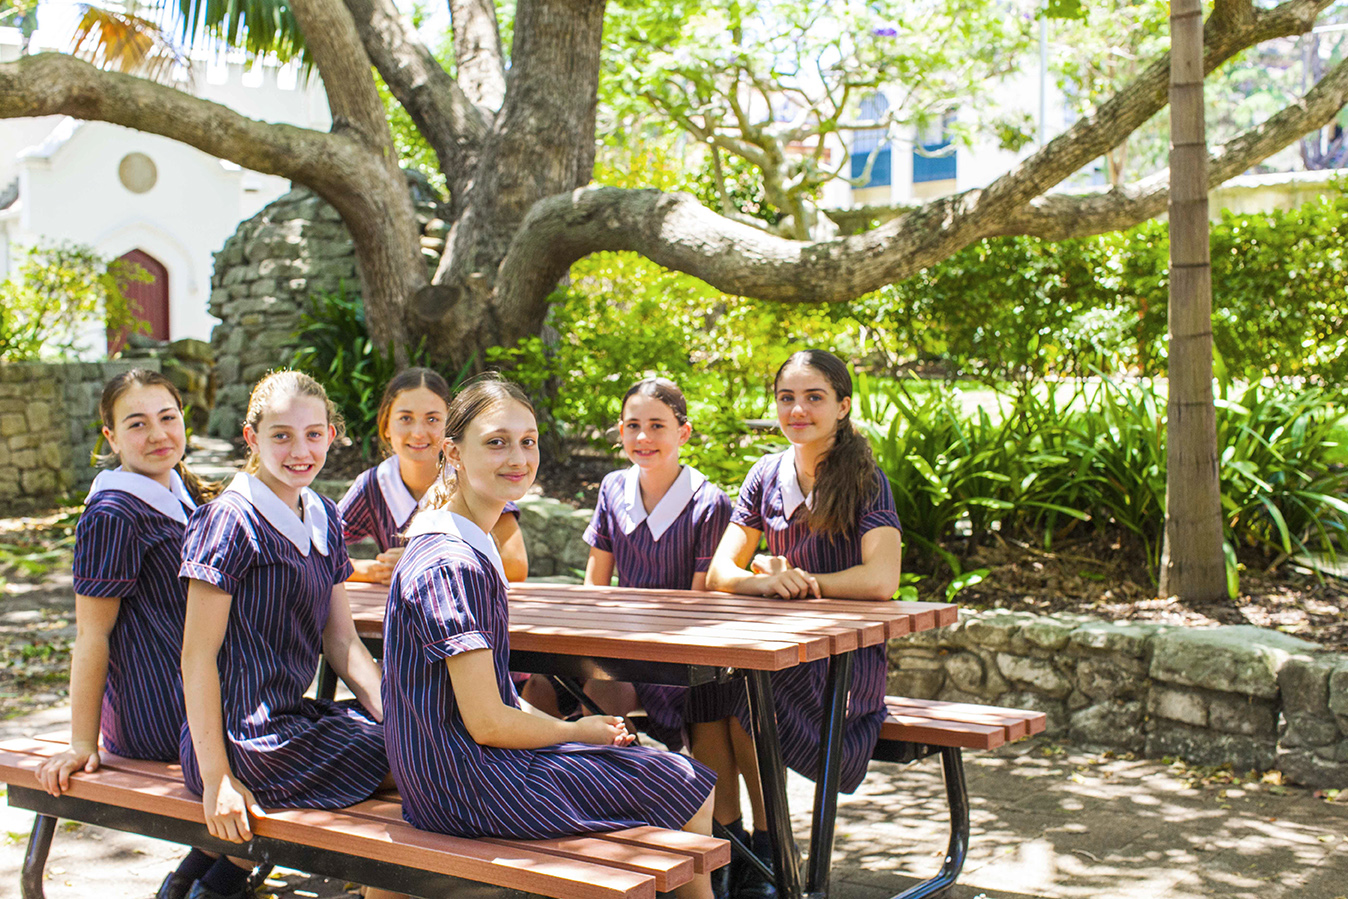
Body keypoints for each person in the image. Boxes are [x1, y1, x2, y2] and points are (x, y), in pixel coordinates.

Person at [381, 376, 717, 899]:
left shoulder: (460, 542)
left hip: (447, 775)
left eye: (528, 440)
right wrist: (577, 733)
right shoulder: (451, 563)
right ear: (453, 452)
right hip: (465, 787)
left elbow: (498, 701)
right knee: (684, 782)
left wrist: (581, 727)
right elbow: (489, 722)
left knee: (646, 758)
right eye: (496, 442)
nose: (518, 456)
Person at [176, 370, 399, 899]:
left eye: (314, 434)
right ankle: (220, 877)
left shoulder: (322, 514)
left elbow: (342, 644)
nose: (300, 450)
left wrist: (397, 715)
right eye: (282, 435)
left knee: (419, 739)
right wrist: (218, 780)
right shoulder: (228, 521)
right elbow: (196, 657)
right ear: (252, 438)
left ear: (331, 434)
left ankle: (202, 881)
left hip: (289, 722)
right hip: (238, 740)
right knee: (419, 763)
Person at [701, 350, 903, 899]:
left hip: (843, 666)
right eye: (787, 397)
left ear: (843, 406)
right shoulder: (764, 474)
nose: (797, 409)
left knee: (742, 688)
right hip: (780, 648)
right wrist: (760, 581)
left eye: (813, 397)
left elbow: (882, 578)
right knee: (706, 690)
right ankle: (726, 842)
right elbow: (720, 571)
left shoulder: (865, 479)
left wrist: (801, 579)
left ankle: (767, 849)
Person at [34, 369, 224, 899]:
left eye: (168, 417)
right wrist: (80, 741)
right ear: (111, 438)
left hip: (198, 694)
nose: (159, 434)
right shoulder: (114, 512)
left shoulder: (180, 493)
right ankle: (223, 875)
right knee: (285, 741)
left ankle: (202, 875)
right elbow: (91, 634)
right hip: (158, 711)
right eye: (137, 424)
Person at [575, 377, 732, 747]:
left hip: (680, 655)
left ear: (684, 433)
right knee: (545, 686)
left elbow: (700, 604)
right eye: (633, 426)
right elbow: (595, 585)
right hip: (621, 647)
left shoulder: (709, 503)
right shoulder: (612, 488)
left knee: (601, 694)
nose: (643, 437)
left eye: (657, 426)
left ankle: (650, 787)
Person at [340, 367, 527, 584]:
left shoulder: (475, 476)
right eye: (405, 418)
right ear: (386, 426)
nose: (418, 433)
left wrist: (420, 560)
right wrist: (369, 570)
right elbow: (319, 546)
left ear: (451, 427)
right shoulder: (374, 484)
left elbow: (515, 565)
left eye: (432, 419)